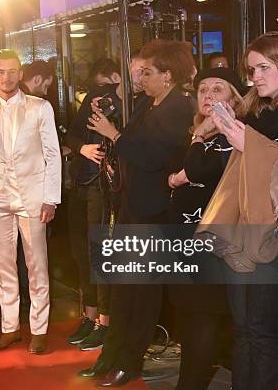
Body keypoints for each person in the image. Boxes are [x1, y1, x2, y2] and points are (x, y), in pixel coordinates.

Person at [204, 31, 278, 390]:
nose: (254, 76)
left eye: (262, 67)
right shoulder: (253, 107)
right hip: (244, 226)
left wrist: (248, 143)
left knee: (264, 330)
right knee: (242, 329)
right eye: (251, 69)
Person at [82, 40, 196, 387]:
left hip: (155, 213)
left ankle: (128, 362)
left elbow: (152, 156)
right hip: (132, 207)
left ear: (168, 74)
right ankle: (111, 356)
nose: (141, 78)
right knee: (122, 289)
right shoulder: (148, 103)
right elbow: (131, 148)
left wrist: (113, 134)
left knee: (142, 295)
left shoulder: (180, 108)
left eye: (148, 72)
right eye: (140, 72)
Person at [0, 49, 62, 354]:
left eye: (11, 71)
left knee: (37, 265)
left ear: (20, 74)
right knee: (4, 267)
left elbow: (52, 154)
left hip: (32, 197)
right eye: (0, 71)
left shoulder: (40, 107)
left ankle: (39, 329)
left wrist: (51, 199)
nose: (6, 77)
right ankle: (9, 328)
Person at [167, 67, 246, 390]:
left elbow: (197, 171)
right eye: (203, 89)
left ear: (235, 100)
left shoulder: (233, 136)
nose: (209, 96)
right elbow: (169, 173)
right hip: (183, 240)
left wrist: (198, 141)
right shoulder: (195, 132)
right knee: (188, 316)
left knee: (203, 318)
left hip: (212, 244)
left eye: (218, 90)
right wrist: (179, 173)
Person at [64, 55, 141, 351]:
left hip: (108, 190)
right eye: (133, 71)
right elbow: (70, 133)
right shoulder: (98, 99)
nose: (137, 78)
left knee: (101, 255)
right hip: (81, 184)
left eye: (142, 73)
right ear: (119, 74)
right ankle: (90, 314)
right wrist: (83, 147)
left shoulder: (137, 107)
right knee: (80, 253)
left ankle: (104, 322)